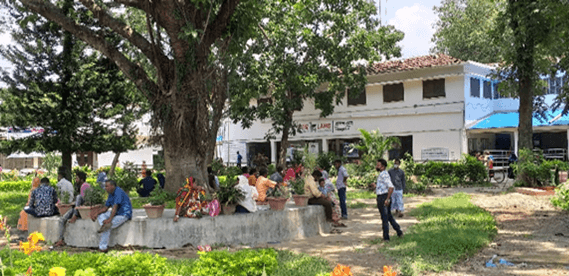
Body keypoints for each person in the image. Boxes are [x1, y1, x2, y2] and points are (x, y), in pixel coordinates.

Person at [92, 180, 132, 253]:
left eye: (107, 186)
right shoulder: (111, 194)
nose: (105, 188)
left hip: (123, 214)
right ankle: (104, 225)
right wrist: (96, 213)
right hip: (116, 213)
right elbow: (105, 208)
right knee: (101, 216)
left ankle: (103, 248)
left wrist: (109, 219)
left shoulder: (118, 192)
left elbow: (115, 207)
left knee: (107, 226)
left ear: (112, 186)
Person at [370, 159, 403, 242]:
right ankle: (399, 232)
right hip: (382, 196)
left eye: (378, 165)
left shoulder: (384, 174)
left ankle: (386, 237)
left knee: (384, 218)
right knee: (389, 216)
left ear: (382, 167)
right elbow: (384, 186)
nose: (376, 166)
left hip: (383, 197)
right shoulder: (382, 174)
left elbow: (391, 187)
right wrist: (376, 186)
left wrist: (387, 199)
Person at [55, 171, 90, 246]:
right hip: (76, 209)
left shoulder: (85, 186)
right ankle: (60, 240)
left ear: (81, 179)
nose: (76, 180)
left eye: (77, 178)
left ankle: (75, 215)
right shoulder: (80, 187)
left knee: (78, 197)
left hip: (81, 210)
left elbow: (84, 201)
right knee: (62, 220)